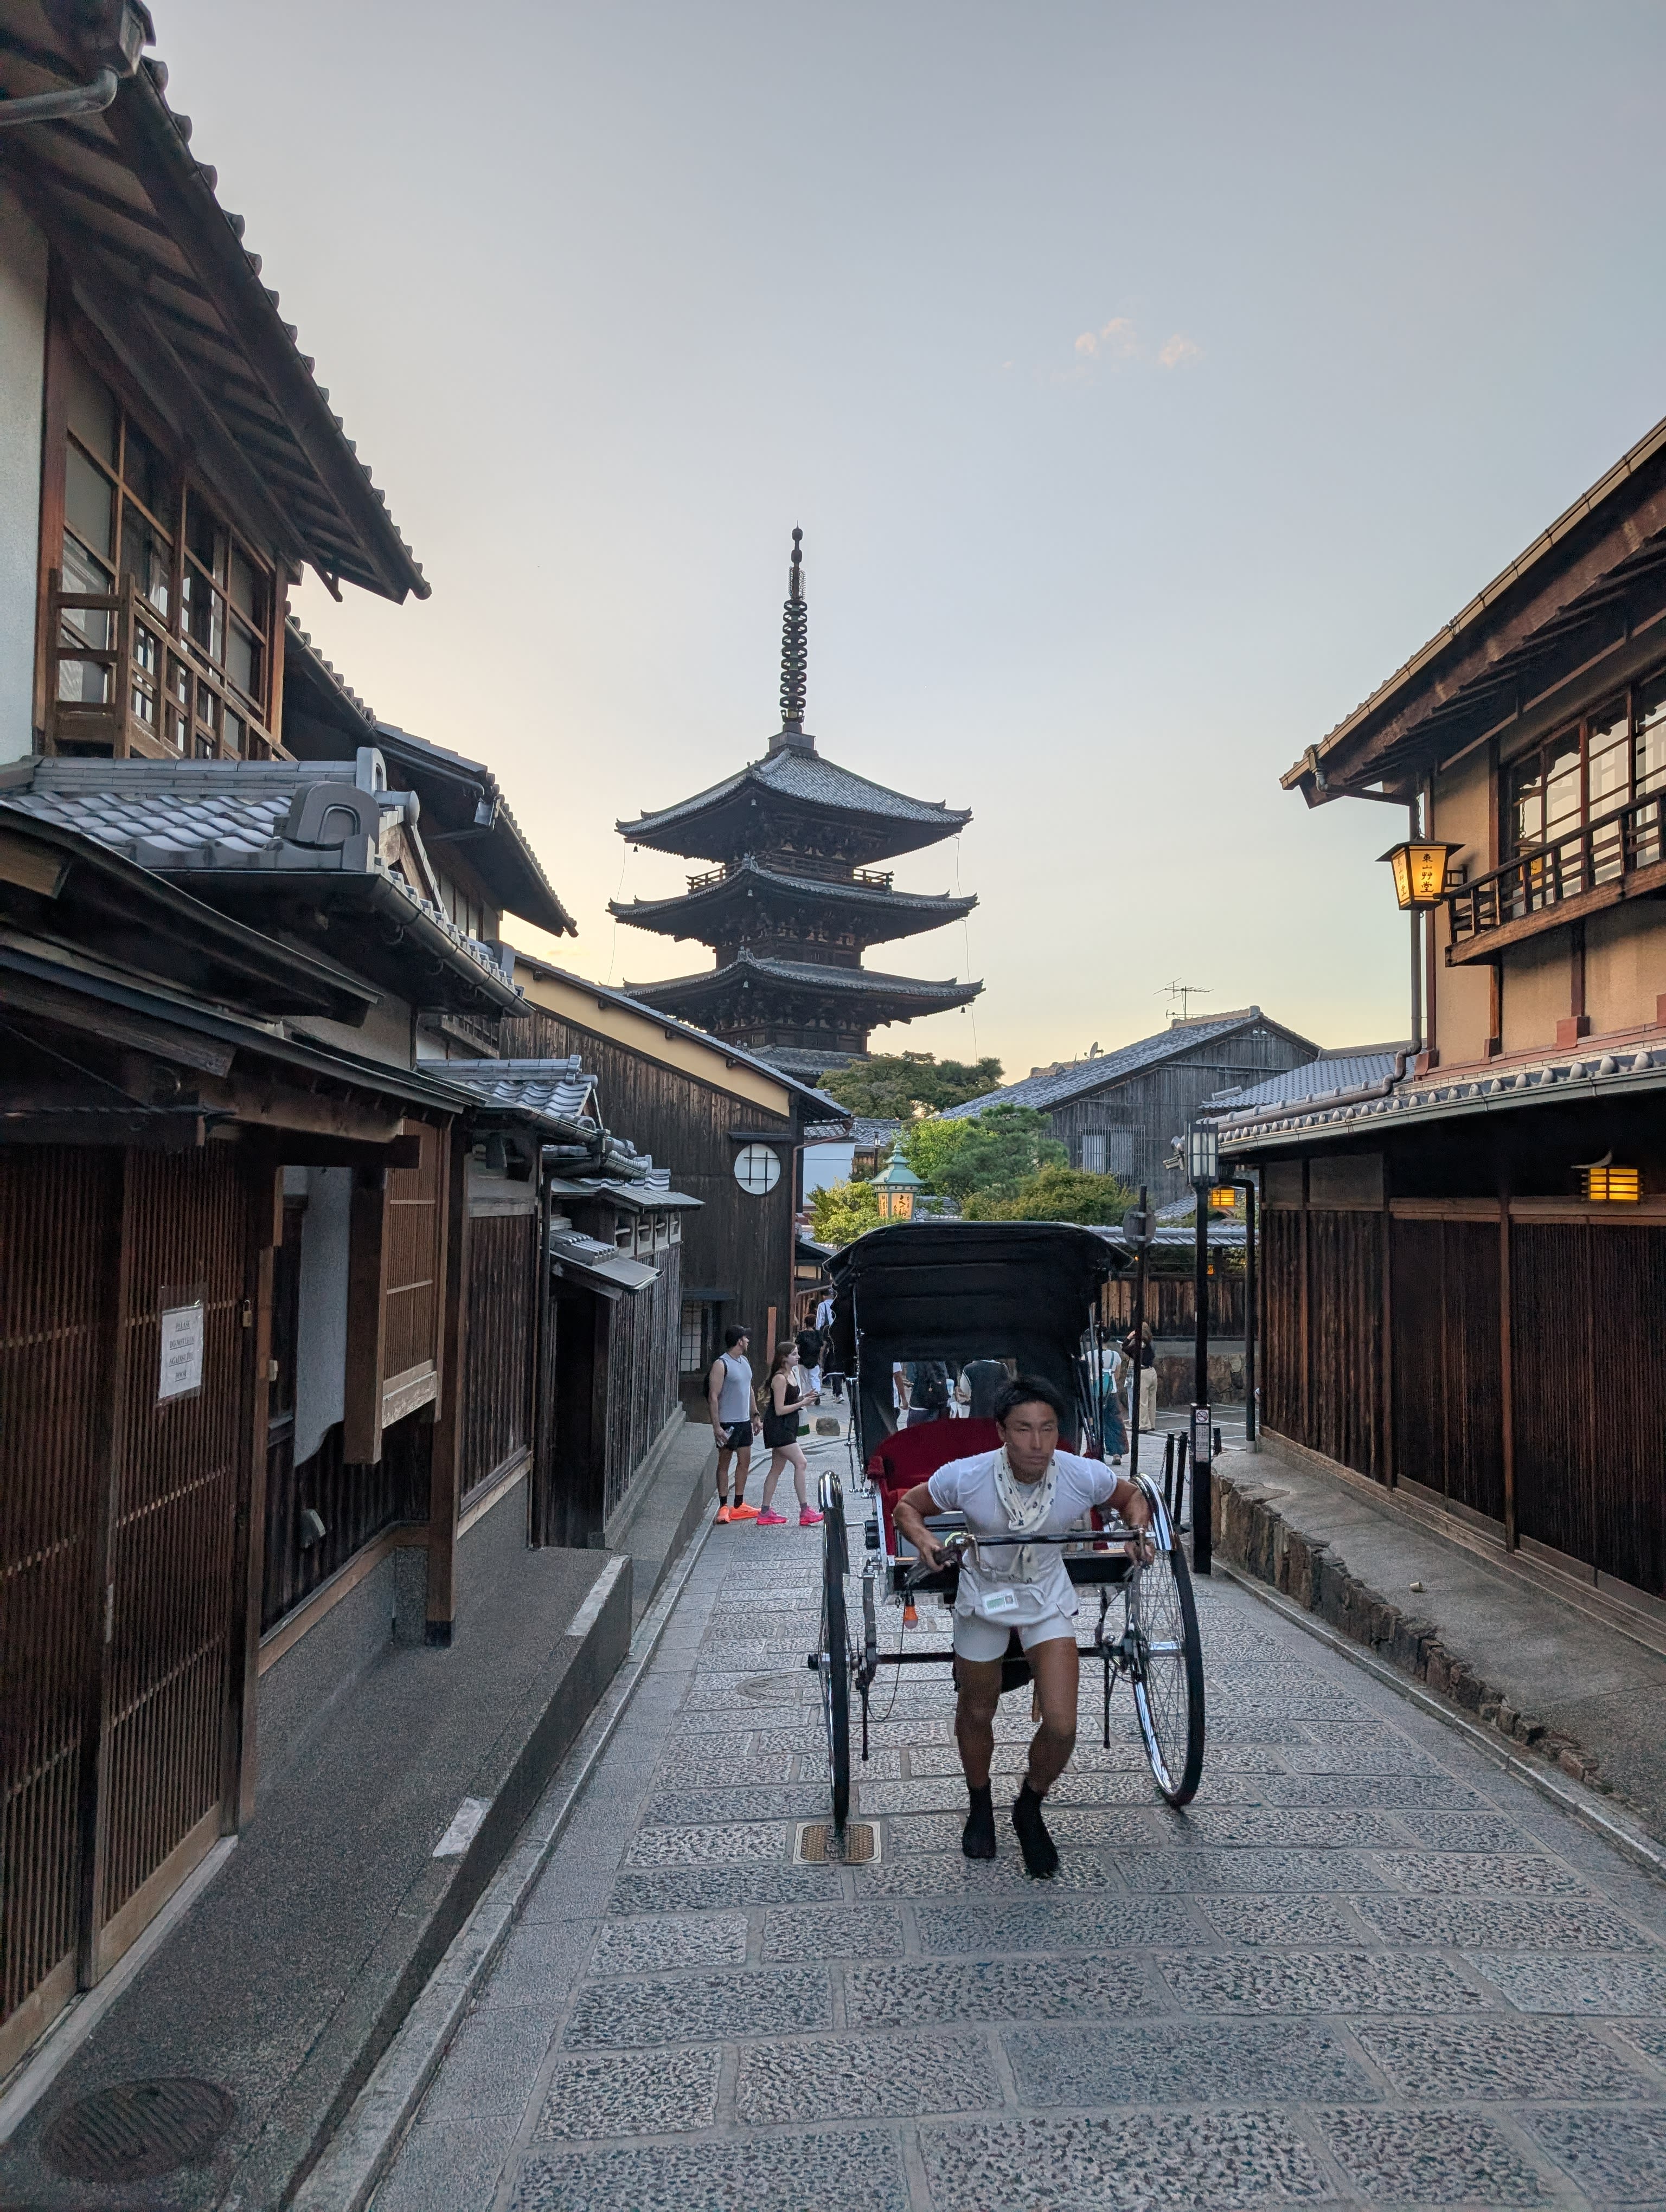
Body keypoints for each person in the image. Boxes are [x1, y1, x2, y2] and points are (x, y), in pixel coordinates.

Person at [894, 1376, 1152, 1878]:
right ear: (1002, 1433)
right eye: (1024, 1430)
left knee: (1062, 1724)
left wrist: (1137, 1532)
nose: (1037, 1443)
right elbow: (908, 1507)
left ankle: (1029, 1804)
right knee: (977, 1707)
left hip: (1046, 1597)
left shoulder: (1080, 1473)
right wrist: (924, 1540)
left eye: (1048, 1430)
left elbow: (1130, 1497)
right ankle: (980, 1804)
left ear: (1059, 1432)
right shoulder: (967, 1476)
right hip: (983, 1597)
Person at [756, 1342, 824, 1528]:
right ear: (784, 1357)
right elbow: (779, 1409)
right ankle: (804, 1510)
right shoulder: (779, 1378)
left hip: (787, 1426)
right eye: (794, 1354)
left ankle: (765, 1511)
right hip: (779, 1426)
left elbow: (790, 1400)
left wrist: (804, 1398)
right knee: (801, 1462)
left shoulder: (791, 1374)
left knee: (776, 1469)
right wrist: (801, 1404)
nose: (798, 1357)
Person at [707, 1324, 760, 1523]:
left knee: (745, 1462)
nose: (748, 1341)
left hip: (744, 1420)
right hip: (727, 1421)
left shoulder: (744, 1361)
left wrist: (755, 1414)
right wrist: (716, 1426)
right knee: (724, 1463)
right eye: (746, 1338)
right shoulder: (721, 1364)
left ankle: (739, 1503)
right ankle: (723, 1506)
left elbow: (750, 1389)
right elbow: (713, 1397)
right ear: (739, 1341)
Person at [1095, 1328, 1127, 1463]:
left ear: (1096, 1339)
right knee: (1114, 1422)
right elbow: (1117, 1375)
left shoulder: (1090, 1355)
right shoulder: (1115, 1356)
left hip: (1096, 1392)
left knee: (1096, 1422)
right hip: (1111, 1392)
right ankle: (1116, 1454)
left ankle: (1097, 1451)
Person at [1123, 1320, 1157, 1437]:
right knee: (1152, 1400)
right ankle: (1152, 1423)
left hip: (1143, 1372)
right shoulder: (1152, 1342)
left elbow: (1125, 1348)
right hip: (1152, 1372)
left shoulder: (1139, 1344)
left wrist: (1129, 1338)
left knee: (1142, 1401)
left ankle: (1144, 1425)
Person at [958, 1356, 1010, 1421]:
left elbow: (964, 1395)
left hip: (976, 1415)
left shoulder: (968, 1369)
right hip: (997, 1417)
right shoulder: (1003, 1368)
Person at [908, 1358, 952, 1426]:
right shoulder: (939, 1355)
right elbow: (945, 1373)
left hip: (919, 1403)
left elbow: (911, 1377)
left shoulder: (915, 1354)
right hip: (938, 1402)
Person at [795, 1322, 823, 1397]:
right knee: (814, 1377)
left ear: (805, 1323)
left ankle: (807, 1395)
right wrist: (820, 1359)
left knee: (804, 1379)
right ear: (814, 1324)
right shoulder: (818, 1334)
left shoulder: (801, 1334)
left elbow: (797, 1346)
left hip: (802, 1358)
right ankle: (816, 1392)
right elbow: (821, 1347)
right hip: (815, 1359)